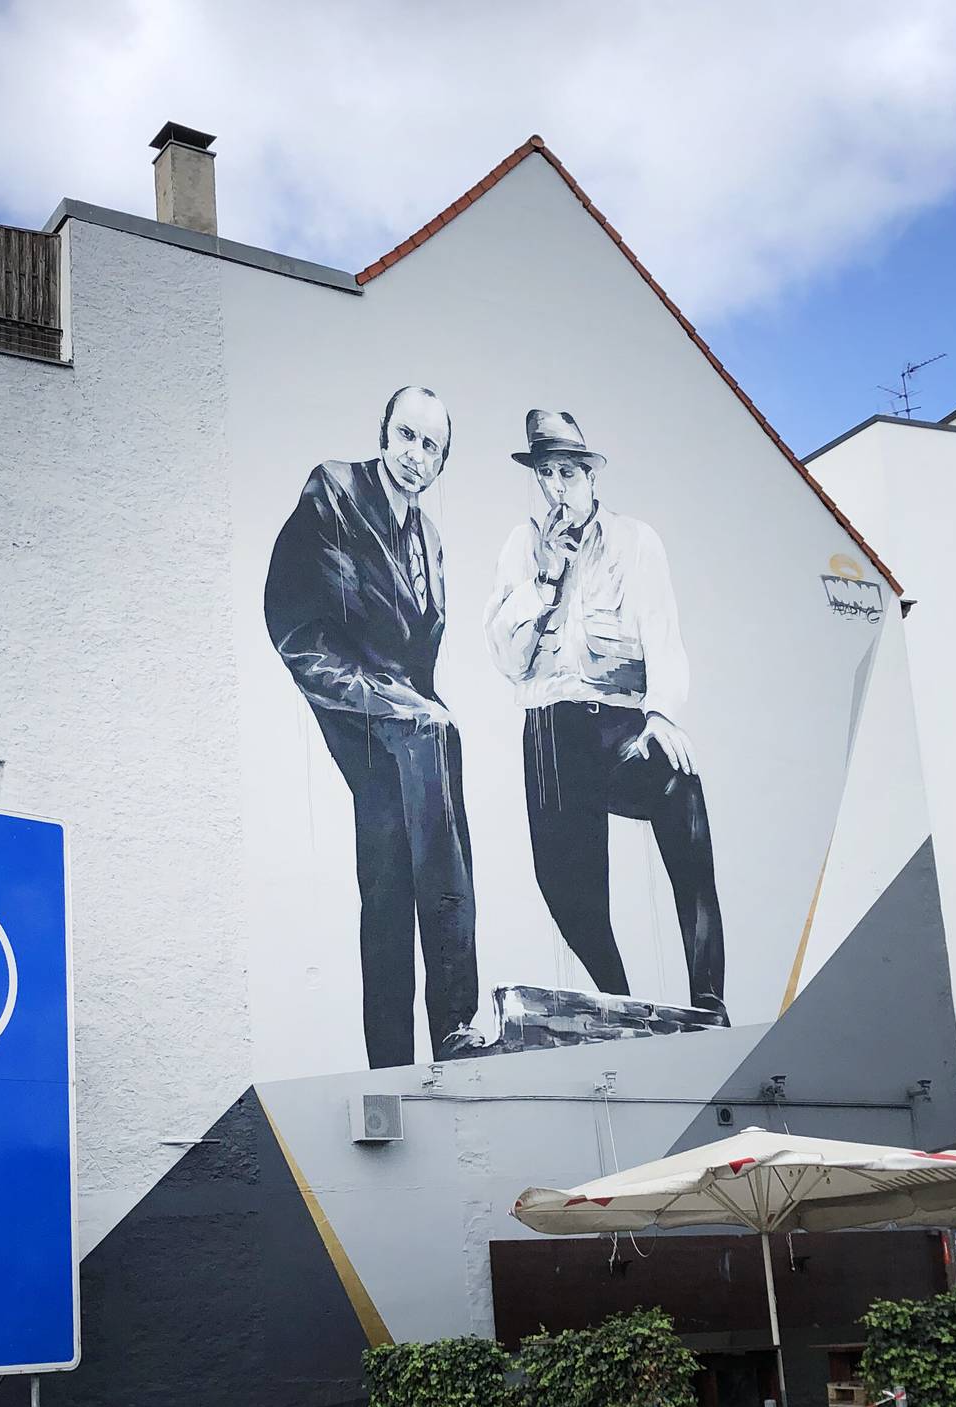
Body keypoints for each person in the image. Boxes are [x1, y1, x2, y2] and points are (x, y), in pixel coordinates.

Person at [264, 386, 484, 1067]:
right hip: (346, 691)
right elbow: (294, 622)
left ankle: (393, 1064)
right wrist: (400, 708)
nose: (416, 456)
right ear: (384, 431)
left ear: (443, 462)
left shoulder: (432, 541)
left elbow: (421, 656)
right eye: (408, 436)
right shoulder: (333, 488)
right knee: (432, 740)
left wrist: (422, 710)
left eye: (432, 447)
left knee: (388, 881)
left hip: (405, 719)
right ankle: (455, 1022)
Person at [484, 409, 727, 1023]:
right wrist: (546, 580)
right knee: (565, 880)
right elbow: (509, 661)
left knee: (684, 794)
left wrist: (663, 714)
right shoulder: (522, 546)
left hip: (619, 722)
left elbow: (664, 636)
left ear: (590, 475)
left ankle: (709, 997)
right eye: (546, 474)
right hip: (550, 727)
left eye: (567, 472)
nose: (556, 486)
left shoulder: (635, 541)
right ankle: (618, 998)